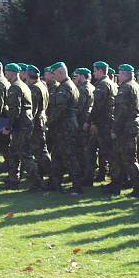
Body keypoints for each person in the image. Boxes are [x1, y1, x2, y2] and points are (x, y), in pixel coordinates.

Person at [2, 63, 42, 191]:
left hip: (21, 125)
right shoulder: (23, 85)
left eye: (6, 72)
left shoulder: (15, 88)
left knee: (24, 154)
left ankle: (37, 182)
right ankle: (13, 180)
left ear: (13, 73)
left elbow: (15, 110)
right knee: (13, 152)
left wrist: (8, 127)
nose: (5, 74)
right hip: (24, 123)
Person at [105, 64, 139, 197]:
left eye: (119, 73)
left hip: (125, 128)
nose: (118, 76)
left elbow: (121, 112)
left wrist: (115, 129)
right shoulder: (137, 86)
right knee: (125, 158)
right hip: (133, 125)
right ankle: (119, 185)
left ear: (125, 74)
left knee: (126, 158)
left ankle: (135, 188)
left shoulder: (125, 88)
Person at [46, 62, 83, 194]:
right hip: (63, 126)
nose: (53, 75)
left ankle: (77, 186)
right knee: (57, 156)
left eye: (54, 73)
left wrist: (48, 122)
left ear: (60, 73)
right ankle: (55, 183)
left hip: (65, 126)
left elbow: (59, 109)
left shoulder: (65, 87)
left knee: (70, 156)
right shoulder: (67, 85)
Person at [88, 61, 118, 183]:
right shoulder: (112, 83)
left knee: (108, 152)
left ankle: (115, 181)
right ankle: (101, 175)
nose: (93, 74)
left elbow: (97, 106)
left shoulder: (102, 85)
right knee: (101, 150)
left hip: (103, 123)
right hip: (108, 121)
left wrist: (91, 122)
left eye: (95, 71)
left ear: (100, 71)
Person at [26, 65, 51, 180]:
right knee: (41, 149)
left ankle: (51, 174)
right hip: (41, 120)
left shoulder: (34, 88)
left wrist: (28, 124)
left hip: (36, 123)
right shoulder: (42, 85)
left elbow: (33, 109)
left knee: (40, 151)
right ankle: (45, 173)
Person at [73, 68, 95, 185]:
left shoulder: (82, 89)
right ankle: (88, 175)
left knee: (82, 151)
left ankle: (86, 177)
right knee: (87, 150)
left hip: (82, 122)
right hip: (88, 121)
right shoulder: (92, 87)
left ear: (82, 76)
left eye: (77, 76)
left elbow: (79, 107)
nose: (75, 78)